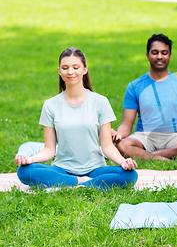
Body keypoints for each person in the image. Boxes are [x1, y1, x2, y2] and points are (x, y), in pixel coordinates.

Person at [15, 48, 138, 189]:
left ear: (85, 70)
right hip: (62, 169)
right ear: (59, 71)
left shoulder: (100, 102)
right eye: (65, 68)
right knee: (25, 171)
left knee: (130, 175)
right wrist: (29, 159)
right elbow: (49, 149)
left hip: (95, 170)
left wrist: (123, 162)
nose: (70, 72)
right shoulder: (50, 105)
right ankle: (81, 182)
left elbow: (107, 146)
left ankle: (70, 182)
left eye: (76, 67)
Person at [112, 34, 177, 161]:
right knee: (121, 144)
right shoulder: (135, 86)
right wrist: (119, 134)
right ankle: (166, 157)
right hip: (144, 137)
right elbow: (126, 124)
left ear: (169, 55)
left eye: (164, 53)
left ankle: (150, 156)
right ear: (147, 55)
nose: (159, 57)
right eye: (155, 52)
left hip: (174, 136)